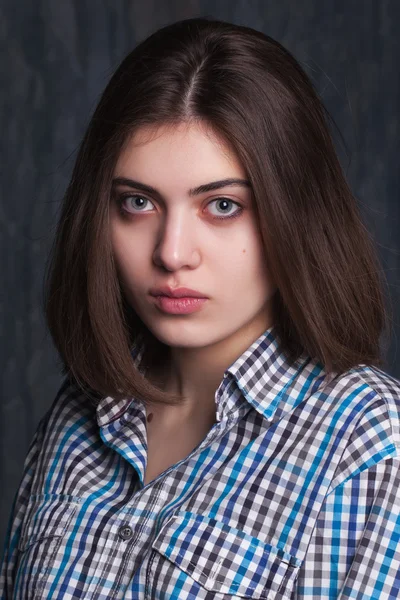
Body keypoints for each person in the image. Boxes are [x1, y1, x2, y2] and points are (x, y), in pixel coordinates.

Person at [1, 16, 399, 600]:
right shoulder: (76, 417)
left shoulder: (368, 442)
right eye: (137, 203)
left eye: (221, 206)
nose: (171, 252)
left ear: (296, 213)